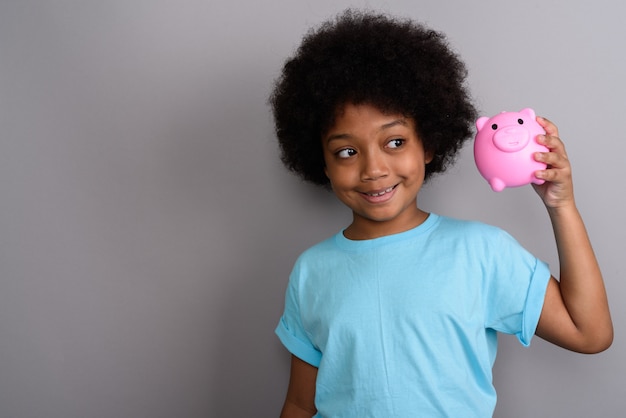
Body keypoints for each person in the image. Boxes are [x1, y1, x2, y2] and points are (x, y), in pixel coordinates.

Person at [270, 9, 613, 418]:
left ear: (428, 145)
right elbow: (299, 403)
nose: (374, 169)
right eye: (347, 151)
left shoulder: (481, 252)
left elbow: (589, 332)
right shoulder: (311, 271)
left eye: (395, 142)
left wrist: (562, 205)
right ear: (322, 163)